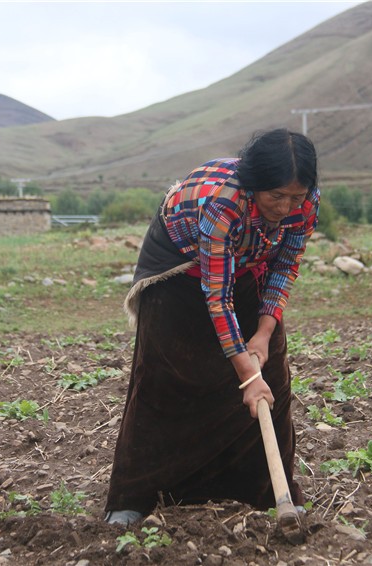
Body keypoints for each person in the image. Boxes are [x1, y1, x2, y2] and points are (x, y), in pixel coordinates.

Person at [105, 128, 320, 526]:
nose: (286, 207)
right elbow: (217, 297)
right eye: (276, 196)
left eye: (296, 197)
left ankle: (268, 491)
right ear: (254, 185)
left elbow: (285, 266)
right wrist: (245, 373)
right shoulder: (223, 204)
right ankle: (133, 497)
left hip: (248, 267)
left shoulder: (304, 204)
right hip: (179, 269)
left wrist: (263, 335)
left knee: (272, 375)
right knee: (164, 379)